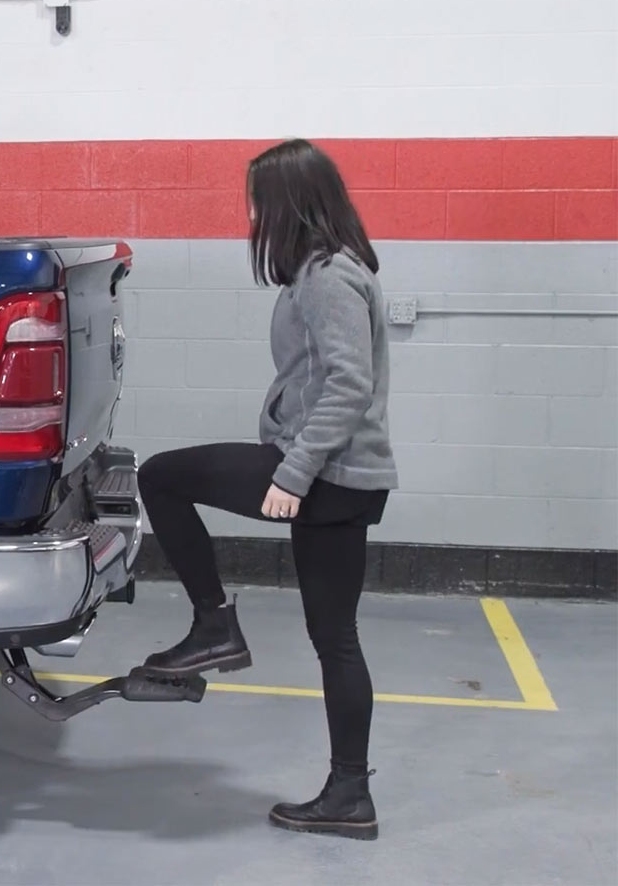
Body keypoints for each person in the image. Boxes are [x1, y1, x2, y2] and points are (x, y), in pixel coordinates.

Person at [135, 138, 398, 841]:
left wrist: (292, 471)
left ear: (289, 203)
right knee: (335, 636)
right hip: (345, 477)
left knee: (160, 476)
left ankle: (214, 624)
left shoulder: (326, 277)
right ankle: (350, 796)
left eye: (257, 200)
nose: (250, 213)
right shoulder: (326, 268)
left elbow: (349, 384)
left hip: (325, 473)